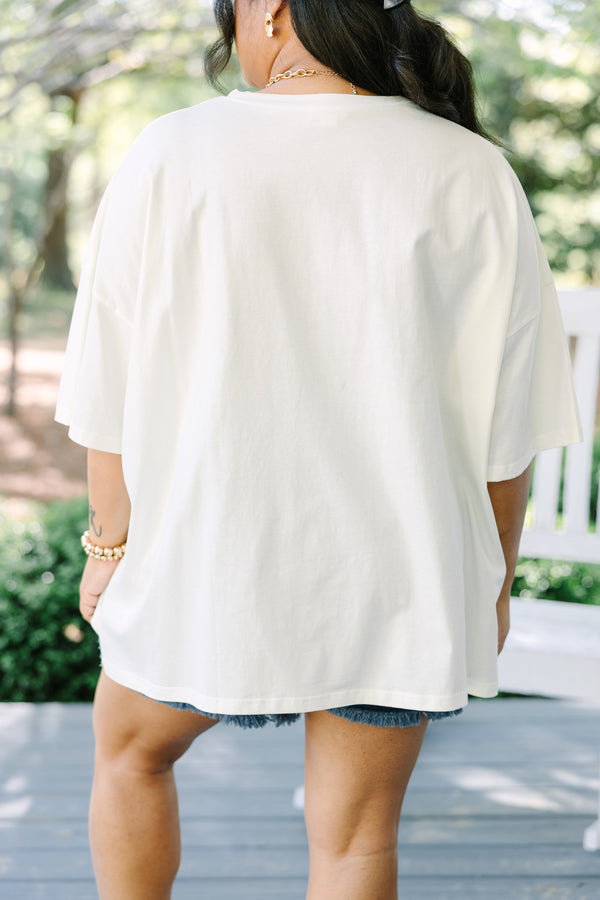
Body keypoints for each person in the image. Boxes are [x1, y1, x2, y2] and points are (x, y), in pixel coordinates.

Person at [55, 1, 583, 898]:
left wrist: (108, 550)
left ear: (267, 10)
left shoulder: (171, 153)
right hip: (397, 583)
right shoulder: (472, 169)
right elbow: (507, 436)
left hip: (204, 571)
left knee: (131, 756)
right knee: (355, 842)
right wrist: (491, 585)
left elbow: (108, 394)